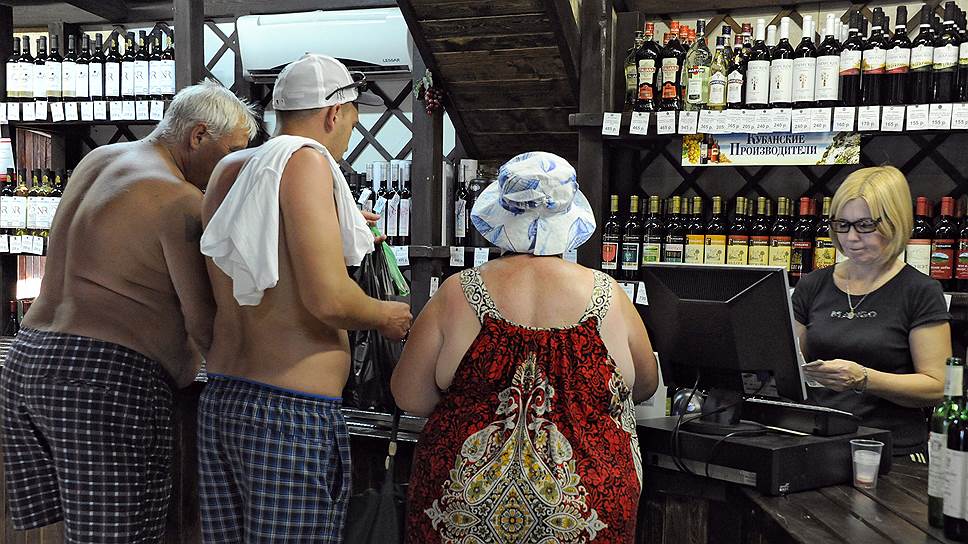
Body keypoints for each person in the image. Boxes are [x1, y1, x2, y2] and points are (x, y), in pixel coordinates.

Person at [0, 80, 258, 542]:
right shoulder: (179, 199)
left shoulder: (99, 160)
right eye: (232, 151)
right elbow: (202, 320)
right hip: (100, 379)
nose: (233, 166)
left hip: (28, 361)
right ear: (198, 135)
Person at [197, 53, 412, 543]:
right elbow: (328, 300)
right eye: (352, 122)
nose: (349, 136)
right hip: (288, 410)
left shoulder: (230, 168)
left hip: (224, 397)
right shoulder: (307, 160)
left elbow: (262, 255)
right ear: (334, 113)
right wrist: (385, 315)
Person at [392, 151, 659, 543]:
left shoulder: (457, 293)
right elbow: (646, 385)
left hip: (463, 510)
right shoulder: (608, 295)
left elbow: (409, 396)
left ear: (500, 216)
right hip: (585, 513)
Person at [794, 166, 950, 456]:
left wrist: (865, 378)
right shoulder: (812, 285)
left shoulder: (920, 291)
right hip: (815, 442)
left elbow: (938, 386)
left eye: (865, 225)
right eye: (842, 224)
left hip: (891, 450)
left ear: (895, 222)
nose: (851, 237)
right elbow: (790, 365)